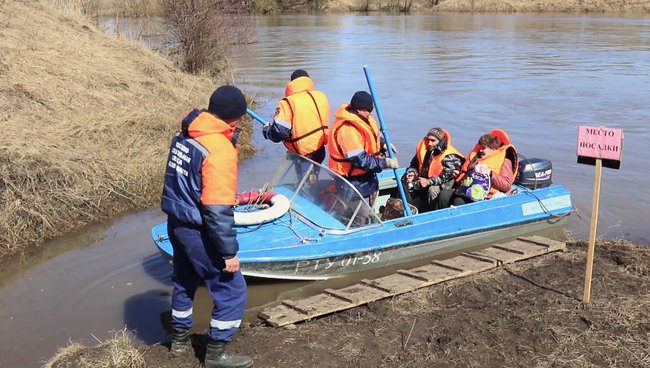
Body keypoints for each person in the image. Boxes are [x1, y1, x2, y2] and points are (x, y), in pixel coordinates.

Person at [160, 85, 252, 368]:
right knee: (232, 291)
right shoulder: (220, 149)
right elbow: (216, 209)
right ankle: (216, 355)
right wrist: (228, 253)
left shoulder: (185, 134)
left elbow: (186, 183)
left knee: (184, 281)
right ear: (236, 118)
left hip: (176, 223)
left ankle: (178, 340)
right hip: (200, 231)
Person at [328, 91, 399, 227]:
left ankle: (367, 225)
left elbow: (373, 137)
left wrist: (383, 144)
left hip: (367, 178)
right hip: (352, 182)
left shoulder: (365, 119)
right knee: (359, 216)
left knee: (366, 212)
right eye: (368, 110)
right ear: (359, 109)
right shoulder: (348, 130)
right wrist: (385, 163)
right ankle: (357, 237)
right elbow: (360, 160)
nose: (371, 113)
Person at [263, 69, 331, 179]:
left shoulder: (287, 102)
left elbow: (279, 133)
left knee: (304, 184)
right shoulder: (321, 96)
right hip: (320, 150)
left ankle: (309, 193)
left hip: (304, 155)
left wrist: (267, 131)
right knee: (313, 179)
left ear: (292, 83)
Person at [433, 129, 518, 210]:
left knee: (459, 200)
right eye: (480, 147)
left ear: (493, 149)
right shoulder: (477, 158)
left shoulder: (505, 160)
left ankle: (456, 223)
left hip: (485, 195)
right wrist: (459, 173)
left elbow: (506, 186)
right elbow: (467, 174)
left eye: (484, 148)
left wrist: (490, 173)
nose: (480, 150)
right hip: (465, 189)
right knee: (444, 195)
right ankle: (438, 219)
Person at [402, 127, 465, 213]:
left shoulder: (450, 156)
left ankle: (432, 212)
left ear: (440, 141)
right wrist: (413, 172)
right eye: (428, 140)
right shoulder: (424, 150)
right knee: (404, 180)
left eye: (433, 141)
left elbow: (446, 176)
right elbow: (414, 164)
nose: (429, 143)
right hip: (424, 179)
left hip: (443, 185)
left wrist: (428, 182)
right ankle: (410, 210)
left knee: (432, 190)